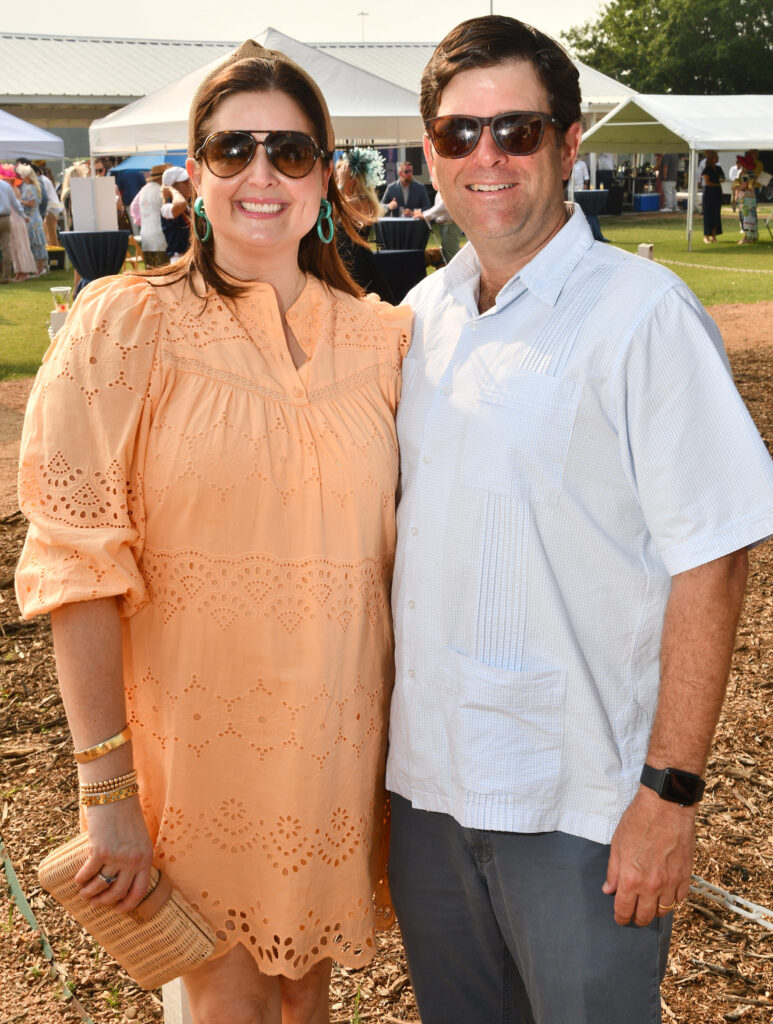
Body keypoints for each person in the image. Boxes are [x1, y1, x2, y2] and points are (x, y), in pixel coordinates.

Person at [386, 15, 773, 1024]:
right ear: (429, 151)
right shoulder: (420, 318)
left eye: (517, 130)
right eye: (460, 133)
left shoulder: (639, 314)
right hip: (424, 794)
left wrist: (668, 795)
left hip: (579, 810)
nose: (488, 156)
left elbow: (713, 560)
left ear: (567, 145)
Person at [15, 38, 411, 1024]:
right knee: (226, 1001)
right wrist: (104, 788)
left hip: (332, 754)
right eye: (232, 151)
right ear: (193, 175)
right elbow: (75, 564)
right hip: (190, 763)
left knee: (303, 1000)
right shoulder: (121, 327)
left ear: (328, 171)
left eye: (288, 151)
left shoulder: (389, 342)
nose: (260, 175)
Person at [334, 147, 393, 298]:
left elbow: (331, 211)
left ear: (352, 181)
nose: (336, 181)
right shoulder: (362, 201)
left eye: (339, 178)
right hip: (353, 261)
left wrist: (340, 187)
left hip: (353, 265)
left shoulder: (357, 202)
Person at [130, 163, 172, 268]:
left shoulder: (144, 189)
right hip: (160, 238)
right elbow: (169, 213)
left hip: (146, 237)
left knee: (151, 274)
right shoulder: (161, 191)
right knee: (163, 273)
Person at [414, 188, 463, 264]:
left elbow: (443, 207)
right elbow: (436, 208)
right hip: (446, 227)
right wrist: (423, 214)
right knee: (448, 256)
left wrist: (425, 215)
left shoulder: (447, 189)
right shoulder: (440, 191)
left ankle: (456, 275)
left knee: (452, 258)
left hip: (449, 226)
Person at [16, 163, 47, 275]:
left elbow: (31, 203)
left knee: (35, 243)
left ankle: (39, 269)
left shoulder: (29, 188)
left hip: (31, 219)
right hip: (34, 217)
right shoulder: (32, 186)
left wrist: (19, 201)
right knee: (36, 244)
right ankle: (39, 268)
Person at [159, 165, 192, 262]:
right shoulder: (165, 208)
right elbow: (180, 204)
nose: (190, 183)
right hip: (179, 259)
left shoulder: (187, 207)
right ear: (173, 186)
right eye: (185, 182)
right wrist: (172, 190)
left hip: (190, 257)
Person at [0, 165, 27, 284]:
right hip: (6, 218)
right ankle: (6, 276)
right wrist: (23, 215)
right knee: (7, 248)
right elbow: (15, 203)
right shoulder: (6, 186)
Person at [732, 154, 758, 245]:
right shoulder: (753, 173)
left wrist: (735, 188)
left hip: (745, 198)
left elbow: (744, 185)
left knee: (746, 217)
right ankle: (753, 237)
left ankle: (746, 237)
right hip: (752, 197)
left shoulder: (744, 174)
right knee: (752, 217)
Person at [701, 150, 725, 243]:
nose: (717, 158)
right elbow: (707, 183)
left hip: (717, 193)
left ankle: (713, 236)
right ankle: (706, 235)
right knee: (708, 215)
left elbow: (722, 178)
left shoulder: (718, 168)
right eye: (715, 156)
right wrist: (717, 184)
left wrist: (719, 182)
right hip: (709, 194)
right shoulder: (706, 169)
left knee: (716, 215)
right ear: (711, 158)